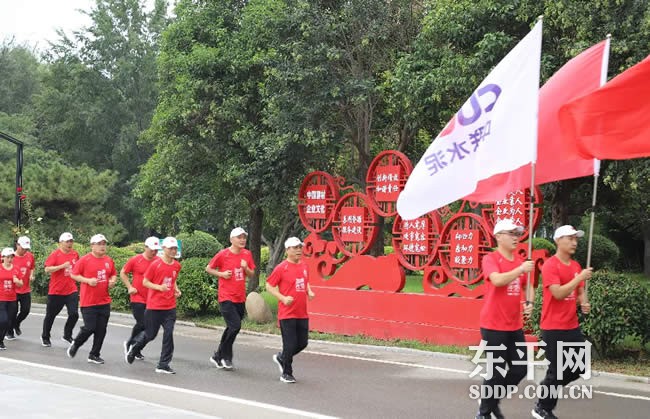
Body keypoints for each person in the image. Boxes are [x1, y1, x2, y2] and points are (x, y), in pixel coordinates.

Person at [475, 219, 535, 419]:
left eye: (517, 234)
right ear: (498, 236)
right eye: (510, 233)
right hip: (493, 325)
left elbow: (529, 287)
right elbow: (498, 280)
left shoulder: (520, 261)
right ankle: (483, 414)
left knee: (520, 369)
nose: (515, 237)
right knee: (496, 372)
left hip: (514, 326)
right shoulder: (490, 258)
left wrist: (529, 302)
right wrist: (520, 270)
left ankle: (490, 401)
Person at [532, 225, 592, 419]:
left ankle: (547, 389)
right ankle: (542, 408)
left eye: (576, 239)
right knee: (557, 371)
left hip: (571, 326)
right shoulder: (550, 265)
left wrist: (583, 302)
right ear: (558, 240)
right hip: (553, 327)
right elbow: (557, 293)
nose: (574, 242)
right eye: (570, 238)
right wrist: (579, 278)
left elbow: (580, 291)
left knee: (579, 367)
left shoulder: (575, 266)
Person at [125, 237, 182, 374]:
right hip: (154, 306)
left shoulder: (176, 265)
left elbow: (172, 280)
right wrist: (159, 287)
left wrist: (176, 289)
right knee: (150, 334)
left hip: (170, 306)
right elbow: (145, 282)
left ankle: (163, 364)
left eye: (175, 248)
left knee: (169, 334)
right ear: (164, 249)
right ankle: (135, 347)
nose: (173, 251)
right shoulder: (155, 264)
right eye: (170, 248)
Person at [266, 237, 315, 383]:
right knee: (290, 344)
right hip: (287, 313)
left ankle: (282, 357)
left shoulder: (304, 266)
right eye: (295, 247)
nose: (299, 250)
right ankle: (286, 373)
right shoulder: (282, 268)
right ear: (288, 250)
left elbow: (305, 282)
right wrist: (282, 298)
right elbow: (269, 285)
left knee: (303, 343)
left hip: (301, 312)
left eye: (300, 247)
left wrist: (309, 291)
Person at [206, 227, 256, 370]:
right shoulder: (223, 254)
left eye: (244, 237)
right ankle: (226, 357)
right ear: (231, 239)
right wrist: (221, 274)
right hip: (226, 297)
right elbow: (208, 268)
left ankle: (218, 356)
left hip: (240, 297)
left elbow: (252, 274)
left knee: (231, 328)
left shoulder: (247, 254)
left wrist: (246, 268)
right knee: (235, 326)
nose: (242, 240)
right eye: (239, 237)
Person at [66, 234, 117, 364]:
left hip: (104, 301)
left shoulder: (108, 260)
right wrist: (87, 280)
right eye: (99, 244)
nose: (102, 246)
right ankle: (76, 344)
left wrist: (112, 281)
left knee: (101, 329)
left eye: (104, 244)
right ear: (92, 246)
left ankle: (94, 354)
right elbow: (73, 274)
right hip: (88, 301)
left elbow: (113, 274)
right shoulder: (85, 260)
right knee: (90, 327)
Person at [120, 236, 161, 360]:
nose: (154, 252)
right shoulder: (136, 260)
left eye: (156, 250)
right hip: (137, 297)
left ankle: (136, 348)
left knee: (150, 329)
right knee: (142, 323)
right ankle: (131, 343)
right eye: (152, 249)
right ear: (145, 247)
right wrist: (129, 287)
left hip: (153, 298)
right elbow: (123, 273)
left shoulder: (158, 261)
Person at [42, 232, 80, 347]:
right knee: (51, 316)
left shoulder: (75, 254)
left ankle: (67, 335)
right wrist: (61, 266)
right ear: (60, 243)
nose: (70, 244)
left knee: (74, 314)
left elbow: (78, 268)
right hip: (56, 291)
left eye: (71, 241)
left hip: (71, 290)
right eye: (67, 241)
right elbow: (47, 269)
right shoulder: (55, 254)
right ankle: (45, 336)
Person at [9, 236, 34, 339]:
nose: (25, 250)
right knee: (12, 312)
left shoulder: (30, 256)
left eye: (26, 248)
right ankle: (9, 332)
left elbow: (32, 267)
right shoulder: (10, 257)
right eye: (23, 248)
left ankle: (16, 323)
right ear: (17, 245)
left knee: (26, 310)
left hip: (25, 289)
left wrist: (32, 275)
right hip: (13, 290)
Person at [0, 248, 22, 350]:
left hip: (12, 299)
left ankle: (1, 341)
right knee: (3, 320)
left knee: (8, 322)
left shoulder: (16, 269)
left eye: (11, 257)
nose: (9, 259)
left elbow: (21, 284)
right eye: (7, 257)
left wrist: (17, 281)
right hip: (1, 298)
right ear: (3, 257)